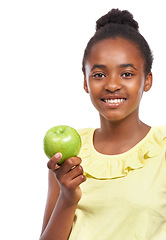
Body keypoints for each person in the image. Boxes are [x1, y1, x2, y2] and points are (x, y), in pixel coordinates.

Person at [39, 9, 166, 240]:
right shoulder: (70, 154)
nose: (112, 85)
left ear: (147, 80)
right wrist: (68, 197)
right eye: (99, 75)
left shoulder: (163, 149)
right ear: (86, 83)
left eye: (127, 74)